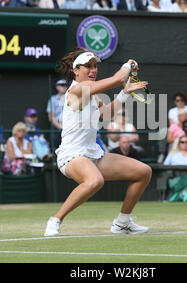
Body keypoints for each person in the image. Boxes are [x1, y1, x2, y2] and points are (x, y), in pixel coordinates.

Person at [44, 48, 152, 236]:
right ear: (76, 71)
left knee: (143, 172)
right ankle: (56, 219)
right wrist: (129, 65)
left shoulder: (92, 96)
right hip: (71, 155)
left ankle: (122, 223)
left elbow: (107, 115)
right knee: (95, 181)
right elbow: (118, 78)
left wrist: (124, 93)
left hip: (92, 153)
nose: (93, 70)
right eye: (88, 67)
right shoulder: (77, 90)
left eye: (95, 67)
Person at [47, 80, 67, 148]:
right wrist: (60, 127)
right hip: (57, 128)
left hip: (69, 127)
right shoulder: (53, 99)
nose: (64, 87)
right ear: (57, 87)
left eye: (65, 85)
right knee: (56, 148)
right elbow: (51, 117)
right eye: (61, 85)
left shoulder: (70, 98)